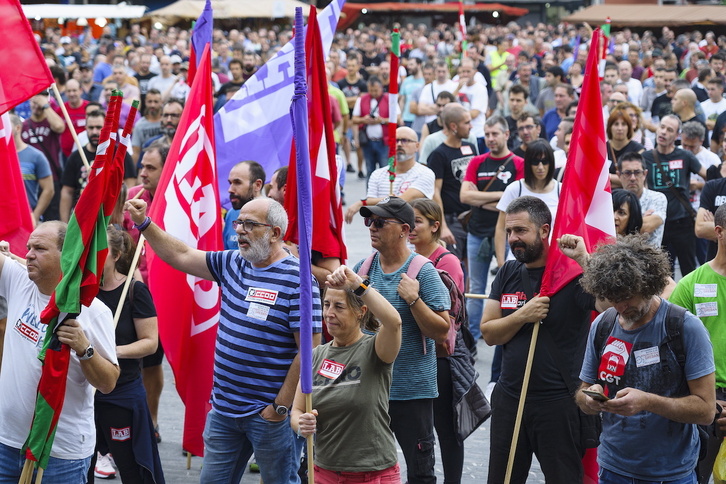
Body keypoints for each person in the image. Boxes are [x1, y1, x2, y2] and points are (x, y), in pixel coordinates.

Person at [125, 197, 322, 484]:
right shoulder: (232, 262)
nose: (239, 229)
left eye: (250, 224)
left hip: (269, 416)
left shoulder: (298, 279)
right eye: (238, 222)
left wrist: (280, 407)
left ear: (275, 233)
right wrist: (145, 224)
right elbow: (180, 255)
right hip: (224, 410)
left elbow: (309, 350)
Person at [481, 196, 603, 484]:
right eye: (509, 232)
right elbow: (488, 333)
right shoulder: (508, 272)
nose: (513, 239)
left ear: (545, 230)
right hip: (510, 400)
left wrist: (584, 260)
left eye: (521, 231)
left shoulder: (573, 276)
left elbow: (610, 304)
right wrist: (522, 315)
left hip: (558, 405)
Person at [577, 235, 716, 483]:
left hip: (671, 474)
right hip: (612, 468)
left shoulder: (684, 327)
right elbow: (582, 392)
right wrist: (591, 399)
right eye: (613, 298)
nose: (620, 307)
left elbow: (705, 411)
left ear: (648, 284)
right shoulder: (603, 324)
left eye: (627, 297)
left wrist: (647, 402)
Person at [0, 222, 119, 482]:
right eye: (28, 247)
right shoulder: (17, 279)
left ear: (68, 255)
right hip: (7, 444)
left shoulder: (94, 311)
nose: (29, 254)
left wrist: (84, 348)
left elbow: (108, 382)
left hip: (61, 455)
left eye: (40, 248)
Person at [354, 196, 450, 484]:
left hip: (411, 391)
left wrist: (414, 300)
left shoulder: (422, 271)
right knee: (365, 468)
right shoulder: (363, 268)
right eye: (369, 221)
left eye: (380, 222)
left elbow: (442, 331)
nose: (372, 227)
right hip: (369, 388)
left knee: (419, 472)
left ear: (404, 230)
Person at [291, 265, 403, 483]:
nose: (328, 313)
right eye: (326, 304)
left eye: (339, 307)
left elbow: (394, 323)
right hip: (324, 472)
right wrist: (300, 424)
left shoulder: (375, 350)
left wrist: (358, 286)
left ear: (360, 313)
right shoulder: (315, 356)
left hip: (373, 474)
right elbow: (296, 411)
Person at [409, 198, 481, 484]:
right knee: (419, 429)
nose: (410, 228)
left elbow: (448, 318)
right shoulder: (410, 257)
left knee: (447, 430)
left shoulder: (446, 261)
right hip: (416, 353)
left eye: (417, 221)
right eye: (408, 221)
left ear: (435, 225)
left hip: (442, 357)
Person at [89, 226, 163, 483]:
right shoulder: (83, 289)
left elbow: (150, 343)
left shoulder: (134, 290)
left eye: (101, 250)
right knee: (81, 467)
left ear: (117, 255)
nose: (92, 254)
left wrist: (110, 352)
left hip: (121, 396)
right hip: (85, 397)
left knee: (133, 469)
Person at [670, 203, 726, 484]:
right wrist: (706, 402)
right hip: (707, 400)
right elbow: (669, 350)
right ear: (719, 232)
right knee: (696, 476)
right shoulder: (690, 285)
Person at [460, 115, 524, 339]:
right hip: (477, 232)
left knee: (506, 286)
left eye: (495, 133)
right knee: (476, 287)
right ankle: (473, 338)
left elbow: (518, 199)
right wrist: (503, 198)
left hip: (509, 234)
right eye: (486, 134)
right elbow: (465, 196)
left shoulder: (518, 164)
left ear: (506, 135)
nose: (490, 138)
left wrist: (482, 198)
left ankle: (504, 332)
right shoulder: (477, 162)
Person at [643, 115, 707, 277]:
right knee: (663, 275)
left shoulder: (685, 156)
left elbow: (709, 177)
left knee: (689, 272)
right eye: (662, 127)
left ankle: (690, 303)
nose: (663, 132)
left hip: (683, 224)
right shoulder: (646, 157)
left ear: (677, 135)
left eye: (669, 129)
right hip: (659, 225)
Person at [59, 110, 136, 223]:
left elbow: (130, 188)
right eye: (91, 128)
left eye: (99, 127)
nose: (94, 132)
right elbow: (67, 192)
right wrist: (64, 224)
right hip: (82, 218)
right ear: (86, 128)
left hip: (111, 218)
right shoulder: (76, 156)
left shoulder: (120, 155)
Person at [345, 127, 434, 224]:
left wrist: (362, 203)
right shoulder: (378, 174)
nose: (399, 144)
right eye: (396, 141)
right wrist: (369, 202)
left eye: (405, 141)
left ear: (417, 146)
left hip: (411, 231)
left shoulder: (425, 173)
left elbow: (401, 201)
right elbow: (372, 204)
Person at [494, 139, 560, 268]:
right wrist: (501, 262)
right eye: (535, 162)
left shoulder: (561, 190)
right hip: (517, 260)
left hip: (552, 262)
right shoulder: (515, 189)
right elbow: (501, 228)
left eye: (545, 161)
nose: (540, 167)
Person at [427, 103, 477, 261]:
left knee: (471, 267)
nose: (471, 126)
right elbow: (435, 192)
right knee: (455, 267)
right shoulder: (438, 154)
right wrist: (443, 226)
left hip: (472, 218)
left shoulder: (470, 147)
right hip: (452, 220)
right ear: (454, 126)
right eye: (467, 122)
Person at [617, 152, 668, 247]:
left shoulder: (657, 198)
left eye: (637, 173)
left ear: (645, 174)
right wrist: (641, 218)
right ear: (619, 175)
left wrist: (621, 224)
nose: (632, 178)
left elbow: (646, 227)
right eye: (627, 173)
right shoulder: (613, 199)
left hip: (650, 260)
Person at [11, 114, 54, 225]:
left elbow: (49, 189)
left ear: (18, 128)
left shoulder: (36, 156)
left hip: (26, 218)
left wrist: (34, 216)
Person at [351, 76, 390, 179]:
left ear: (381, 88)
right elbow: (354, 119)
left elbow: (397, 119)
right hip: (368, 141)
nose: (374, 93)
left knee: (385, 170)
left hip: (384, 142)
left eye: (376, 90)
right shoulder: (362, 99)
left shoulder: (388, 99)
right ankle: (370, 194)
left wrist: (381, 120)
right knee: (369, 170)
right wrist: (364, 120)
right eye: (371, 90)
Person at [223, 160, 266, 250]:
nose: (230, 189)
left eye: (237, 183)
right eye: (230, 183)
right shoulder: (231, 214)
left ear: (257, 185)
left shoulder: (272, 214)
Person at [606, 109, 644, 188]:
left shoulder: (638, 150)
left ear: (629, 127)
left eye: (623, 124)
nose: (620, 128)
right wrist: (622, 181)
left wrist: (608, 177)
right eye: (616, 124)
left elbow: (637, 180)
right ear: (610, 127)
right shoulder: (602, 149)